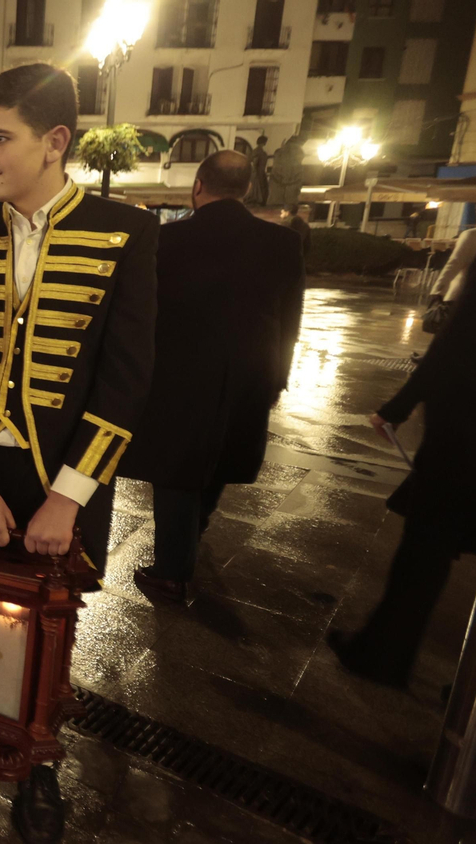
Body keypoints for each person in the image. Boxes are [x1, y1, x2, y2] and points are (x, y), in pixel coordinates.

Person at [0, 63, 159, 844]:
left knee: (52, 623)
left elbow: (127, 380)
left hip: (67, 477)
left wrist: (70, 497)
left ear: (54, 142)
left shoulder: (126, 230)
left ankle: (38, 754)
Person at [328, 229, 476, 688]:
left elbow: (451, 347)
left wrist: (396, 409)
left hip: (465, 442)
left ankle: (383, 655)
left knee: (424, 557)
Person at [120, 151, 304, 601]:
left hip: (178, 372)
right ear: (245, 189)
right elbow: (291, 316)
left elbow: (144, 313)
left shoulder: (166, 238)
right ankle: (194, 530)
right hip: (251, 370)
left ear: (198, 185)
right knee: (222, 454)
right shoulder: (282, 242)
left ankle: (172, 571)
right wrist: (278, 376)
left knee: (176, 468)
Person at [246, 135, 270, 206]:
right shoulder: (260, 152)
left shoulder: (254, 151)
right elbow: (258, 164)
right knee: (259, 188)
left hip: (255, 172)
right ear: (264, 142)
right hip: (258, 172)